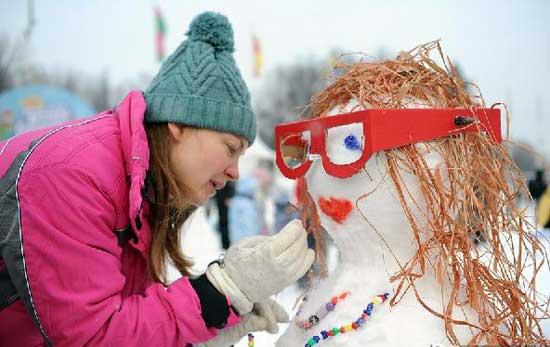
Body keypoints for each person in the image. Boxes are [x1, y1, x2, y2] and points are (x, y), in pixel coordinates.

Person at [0, 12, 314, 346]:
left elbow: (129, 318)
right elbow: (94, 337)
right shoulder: (73, 175)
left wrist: (209, 331)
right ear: (178, 125)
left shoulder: (140, 188)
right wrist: (220, 292)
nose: (236, 171)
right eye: (230, 148)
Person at [214, 181, 235, 249]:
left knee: (227, 223)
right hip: (220, 200)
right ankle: (225, 244)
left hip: (226, 201)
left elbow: (230, 184)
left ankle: (227, 244)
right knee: (223, 223)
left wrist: (229, 196)